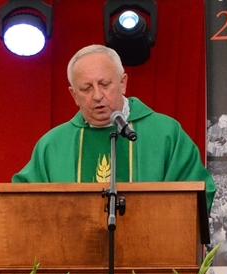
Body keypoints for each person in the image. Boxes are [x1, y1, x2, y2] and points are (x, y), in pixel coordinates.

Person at [13, 45, 216, 207]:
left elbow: (197, 193)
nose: (97, 95)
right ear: (74, 95)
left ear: (122, 83)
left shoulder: (165, 134)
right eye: (86, 88)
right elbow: (21, 202)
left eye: (104, 84)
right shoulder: (53, 145)